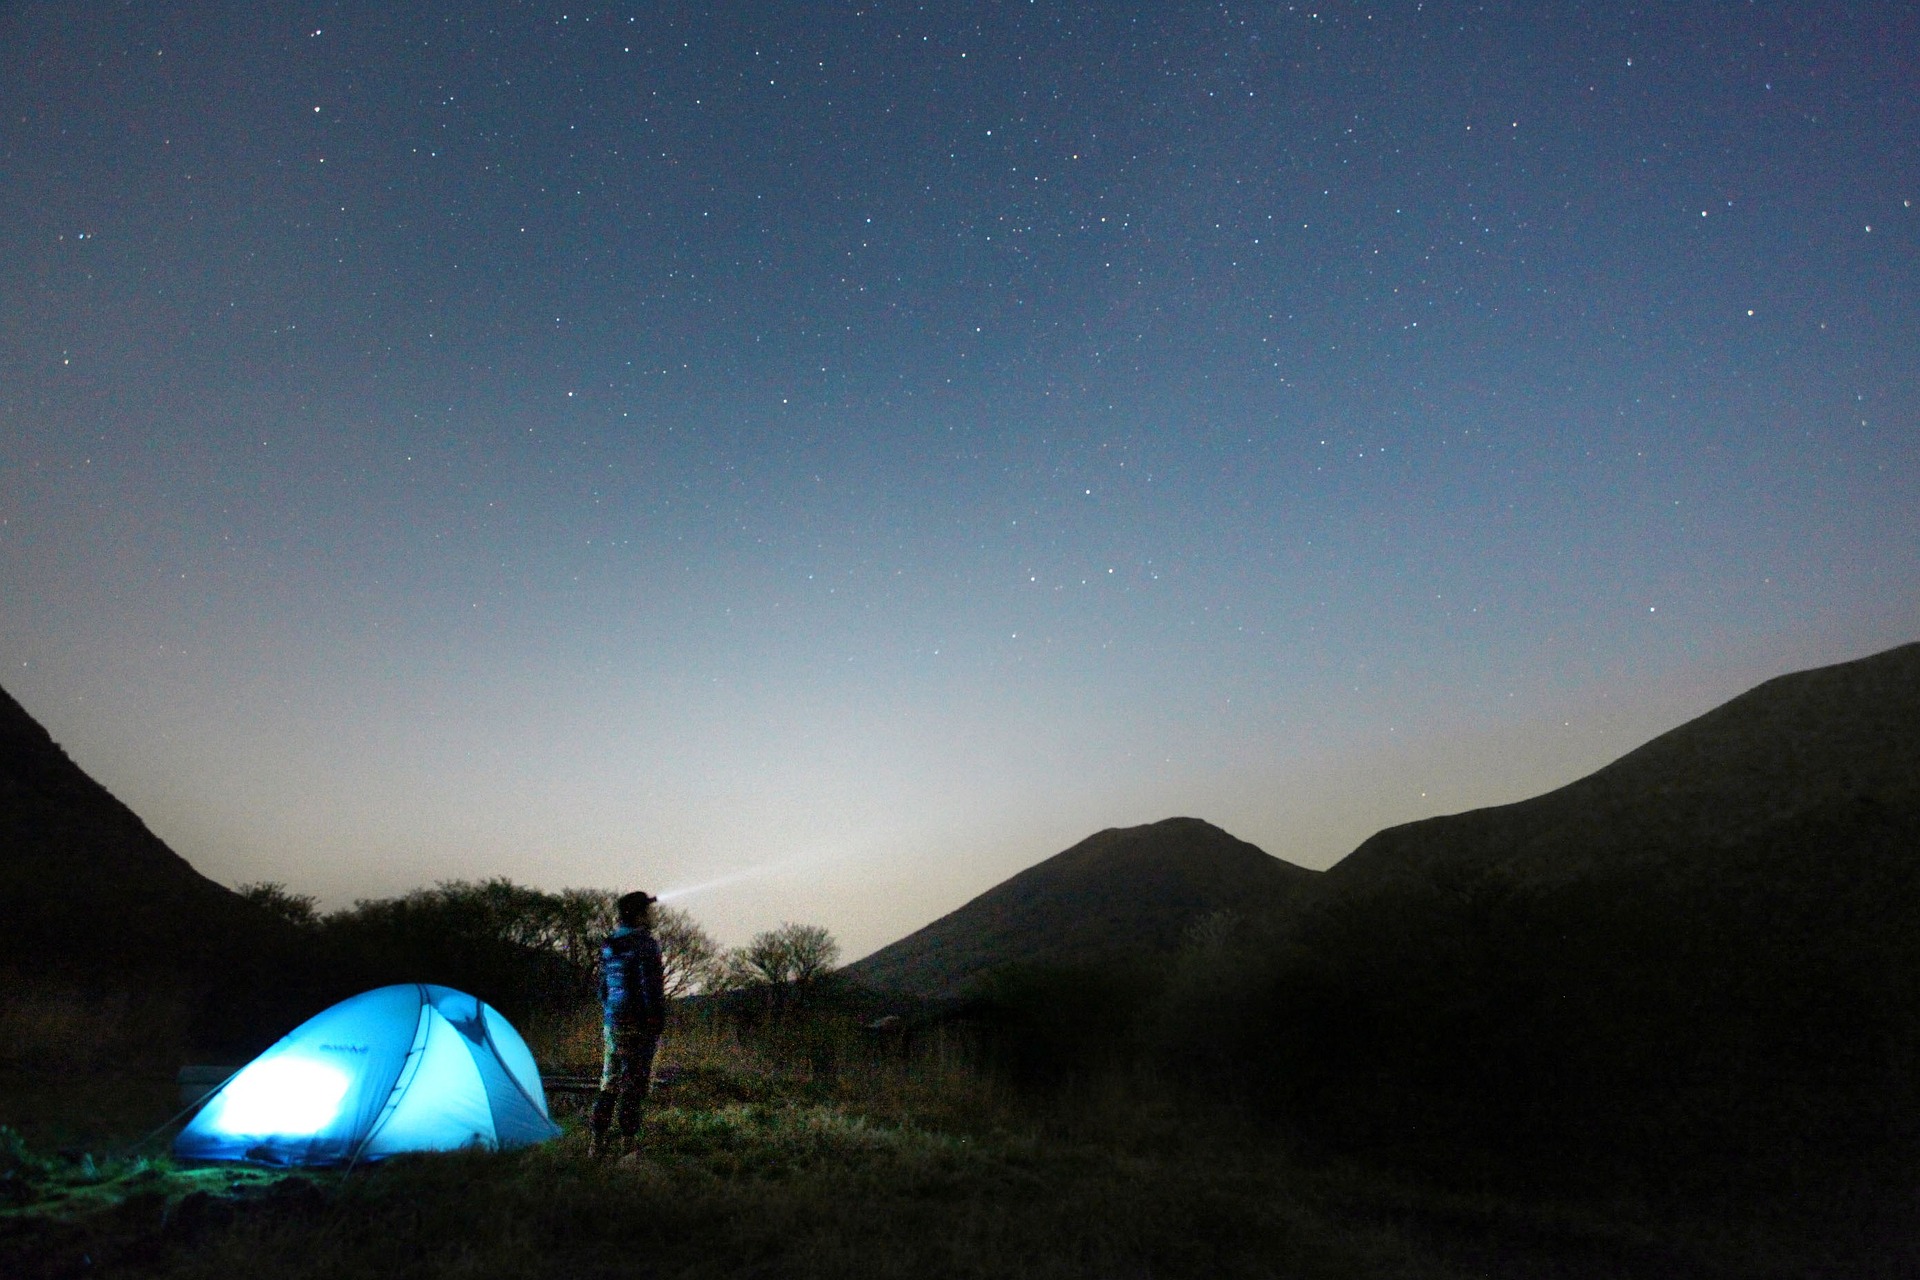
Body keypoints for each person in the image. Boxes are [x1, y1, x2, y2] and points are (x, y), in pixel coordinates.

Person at [589, 890, 666, 1159]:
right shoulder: (646, 944)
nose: (653, 914)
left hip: (613, 1022)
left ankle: (596, 1146)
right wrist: (656, 1022)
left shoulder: (609, 944)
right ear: (639, 914)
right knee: (634, 1084)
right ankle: (628, 1147)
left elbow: (602, 989)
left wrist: (612, 1013)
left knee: (609, 1082)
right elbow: (651, 989)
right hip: (639, 1024)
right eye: (648, 909)